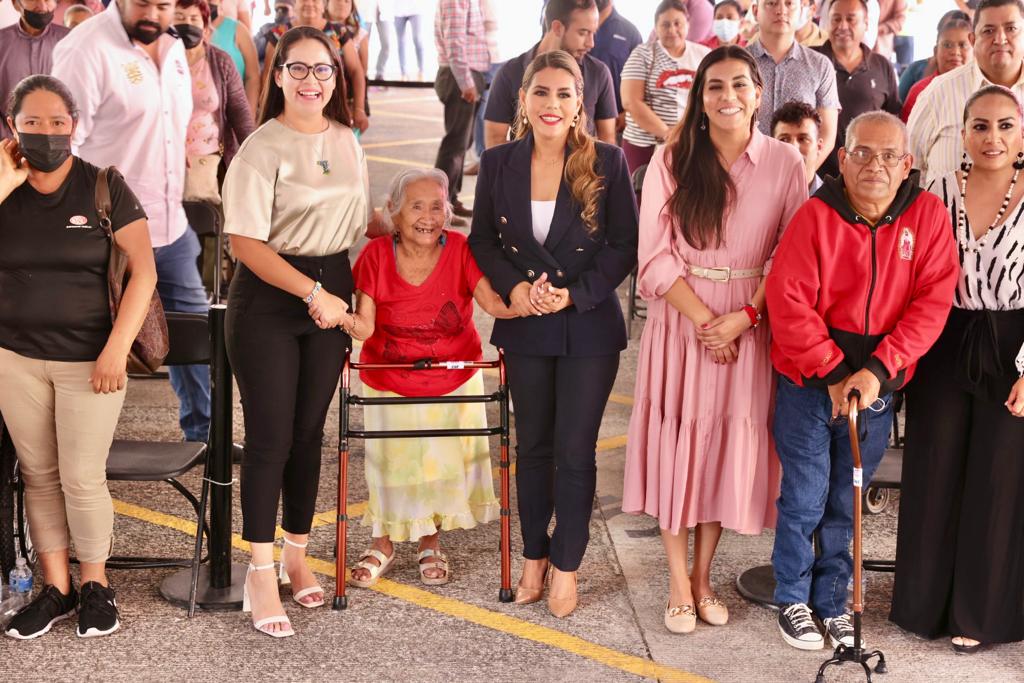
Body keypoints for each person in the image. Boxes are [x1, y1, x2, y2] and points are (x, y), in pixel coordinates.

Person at [623, 45, 807, 635]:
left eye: (739, 84)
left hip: (750, 323)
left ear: (759, 93)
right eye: (715, 87)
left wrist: (745, 318)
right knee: (679, 445)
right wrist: (709, 322)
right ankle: (677, 584)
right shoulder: (673, 157)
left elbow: (790, 253)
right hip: (683, 322)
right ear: (700, 99)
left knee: (722, 450)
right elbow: (653, 256)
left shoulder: (785, 162)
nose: (728, 96)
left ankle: (703, 579)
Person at [766, 111, 959, 651]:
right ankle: (792, 597)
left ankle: (834, 602)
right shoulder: (815, 215)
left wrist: (877, 371)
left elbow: (932, 304)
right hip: (808, 385)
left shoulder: (928, 216)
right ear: (842, 159)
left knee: (846, 498)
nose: (876, 165)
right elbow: (788, 300)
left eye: (889, 155)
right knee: (804, 496)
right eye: (863, 153)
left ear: (907, 163)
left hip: (876, 388)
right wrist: (832, 372)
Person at [469, 50, 638, 619]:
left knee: (574, 450)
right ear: (523, 99)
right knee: (533, 449)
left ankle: (567, 565)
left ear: (580, 104)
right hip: (525, 326)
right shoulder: (498, 162)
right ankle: (533, 557)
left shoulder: (608, 162)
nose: (552, 104)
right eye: (541, 92)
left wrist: (573, 293)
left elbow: (624, 245)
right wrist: (515, 289)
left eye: (564, 94)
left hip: (587, 326)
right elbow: (482, 240)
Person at [222, 27, 368, 637]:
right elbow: (244, 243)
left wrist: (414, 223)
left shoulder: (347, 139)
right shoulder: (261, 148)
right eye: (299, 69)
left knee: (309, 435)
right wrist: (313, 295)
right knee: (270, 439)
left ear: (336, 77)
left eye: (323, 69)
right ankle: (260, 572)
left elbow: (353, 221)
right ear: (278, 75)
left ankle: (296, 555)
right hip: (271, 297)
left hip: (332, 286)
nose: (312, 80)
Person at [0, 75, 156, 640]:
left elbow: (144, 272)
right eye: (31, 123)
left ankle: (96, 585)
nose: (45, 132)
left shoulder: (103, 186)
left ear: (75, 126)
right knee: (38, 476)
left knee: (82, 477)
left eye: (57, 122)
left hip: (91, 360)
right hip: (14, 358)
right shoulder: (5, 188)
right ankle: (56, 588)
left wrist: (116, 347)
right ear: (11, 126)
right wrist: (3, 182)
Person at [891, 85, 1024, 655]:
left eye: (1004, 125)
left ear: (1021, 134)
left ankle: (981, 613)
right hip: (941, 336)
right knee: (934, 467)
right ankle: (923, 606)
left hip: (1013, 346)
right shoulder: (936, 191)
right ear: (963, 133)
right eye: (980, 126)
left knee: (998, 479)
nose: (992, 137)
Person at [344, 169, 513, 588]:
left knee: (438, 465)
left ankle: (429, 542)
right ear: (394, 212)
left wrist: (537, 298)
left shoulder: (460, 249)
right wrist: (329, 310)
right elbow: (365, 327)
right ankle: (382, 542)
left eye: (437, 206)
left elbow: (493, 304)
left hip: (452, 375)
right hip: (389, 375)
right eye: (416, 206)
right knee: (392, 465)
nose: (428, 217)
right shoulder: (376, 255)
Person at [52, 0, 211, 445]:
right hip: (106, 236)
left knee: (196, 340)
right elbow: (63, 147)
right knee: (94, 346)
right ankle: (80, 446)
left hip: (171, 227)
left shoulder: (174, 47)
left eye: (163, 5)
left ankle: (203, 435)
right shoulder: (86, 49)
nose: (153, 15)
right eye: (142, 3)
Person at [909, 0, 1024, 185]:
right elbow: (908, 166)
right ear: (973, 40)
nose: (1000, 39)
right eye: (988, 30)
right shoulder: (937, 93)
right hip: (943, 205)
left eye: (1011, 29)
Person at [484, 0, 617, 149]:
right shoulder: (510, 72)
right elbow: (495, 139)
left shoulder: (599, 73)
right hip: (523, 163)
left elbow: (608, 139)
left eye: (593, 33)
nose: (591, 43)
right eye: (583, 32)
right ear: (557, 28)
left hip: (583, 163)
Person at [174, 0, 255, 202]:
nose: (187, 24)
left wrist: (255, 159)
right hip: (166, 156)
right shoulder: (160, 59)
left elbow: (240, 113)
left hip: (206, 158)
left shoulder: (221, 61)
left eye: (194, 19)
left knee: (203, 213)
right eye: (180, 18)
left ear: (205, 27)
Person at [620, 1, 711, 174]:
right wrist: (668, 134)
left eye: (678, 23)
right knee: (640, 189)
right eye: (665, 24)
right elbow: (631, 101)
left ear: (688, 24)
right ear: (656, 27)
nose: (672, 30)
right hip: (643, 145)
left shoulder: (704, 55)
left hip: (691, 143)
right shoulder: (642, 53)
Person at [748, 0, 840, 172]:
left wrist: (802, 175)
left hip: (800, 173)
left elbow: (826, 134)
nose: (781, 10)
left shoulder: (820, 65)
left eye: (789, 4)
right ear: (755, 10)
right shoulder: (739, 62)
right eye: (772, 3)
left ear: (801, 10)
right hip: (747, 172)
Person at [814, 0, 901, 178]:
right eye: (836, 19)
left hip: (868, 174)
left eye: (851, 19)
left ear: (866, 23)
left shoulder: (881, 65)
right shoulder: (811, 60)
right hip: (816, 175)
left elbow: (894, 121)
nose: (842, 26)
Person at [263, 0, 370, 134]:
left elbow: (356, 71)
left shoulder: (339, 32)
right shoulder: (278, 33)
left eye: (315, 0)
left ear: (324, 5)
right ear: (294, 4)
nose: (309, 3)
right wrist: (263, 108)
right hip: (290, 115)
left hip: (336, 110)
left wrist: (359, 109)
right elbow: (267, 76)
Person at [432, 0, 489, 225]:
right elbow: (454, 42)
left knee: (463, 142)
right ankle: (439, 205)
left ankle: (451, 199)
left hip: (467, 75)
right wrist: (466, 82)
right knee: (455, 145)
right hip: (460, 77)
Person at [0, 0, 70, 140]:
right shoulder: (2, 42)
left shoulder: (69, 41)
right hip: (8, 142)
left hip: (59, 141)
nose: (42, 7)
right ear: (15, 3)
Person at [900, 13, 972, 122]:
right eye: (947, 45)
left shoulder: (982, 89)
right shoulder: (920, 91)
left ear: (975, 52)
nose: (955, 52)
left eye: (963, 45)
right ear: (935, 51)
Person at [591, 0, 642, 135]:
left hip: (617, 123)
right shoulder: (574, 25)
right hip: (579, 119)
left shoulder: (630, 32)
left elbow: (643, 80)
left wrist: (628, 113)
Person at [206, 0, 260, 112]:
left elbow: (253, 77)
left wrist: (249, 115)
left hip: (234, 111)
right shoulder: (187, 33)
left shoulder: (239, 30)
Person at [772, 100, 825, 193]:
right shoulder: (752, 196)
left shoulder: (835, 201)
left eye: (803, 139)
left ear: (819, 147)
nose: (793, 148)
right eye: (784, 140)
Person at [392, 0, 425, 81]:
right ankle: (403, 73)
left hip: (416, 9)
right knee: (401, 42)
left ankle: (421, 71)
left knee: (417, 39)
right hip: (398, 10)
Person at [255, 0, 293, 65]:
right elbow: (254, 51)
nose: (280, 12)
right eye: (277, 10)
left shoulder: (296, 29)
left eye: (284, 9)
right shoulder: (266, 28)